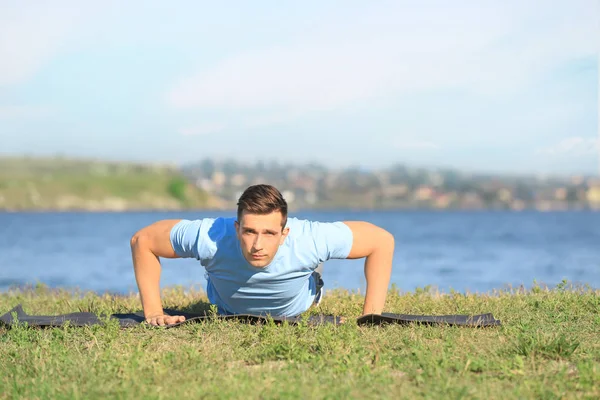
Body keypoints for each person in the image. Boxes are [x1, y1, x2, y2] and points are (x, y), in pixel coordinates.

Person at [130, 184, 395, 326]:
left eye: (269, 233)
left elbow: (382, 241)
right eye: (249, 232)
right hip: (225, 306)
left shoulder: (309, 238)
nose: (257, 244)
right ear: (237, 228)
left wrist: (370, 315)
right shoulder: (211, 235)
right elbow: (142, 241)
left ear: (284, 232)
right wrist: (153, 312)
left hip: (301, 303)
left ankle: (308, 273)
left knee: (308, 264)